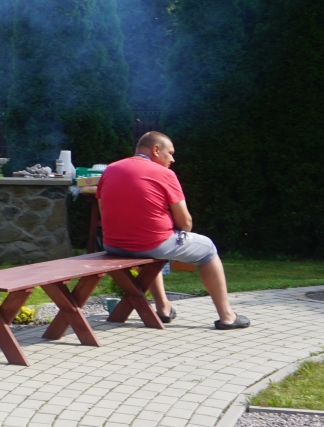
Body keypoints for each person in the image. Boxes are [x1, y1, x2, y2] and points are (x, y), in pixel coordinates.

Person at [96, 131, 245, 329]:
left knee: (148, 252)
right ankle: (227, 316)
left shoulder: (110, 169)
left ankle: (163, 308)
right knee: (208, 249)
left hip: (113, 245)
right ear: (156, 149)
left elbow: (103, 210)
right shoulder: (164, 174)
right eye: (170, 153)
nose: (173, 159)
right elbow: (185, 222)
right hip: (152, 244)